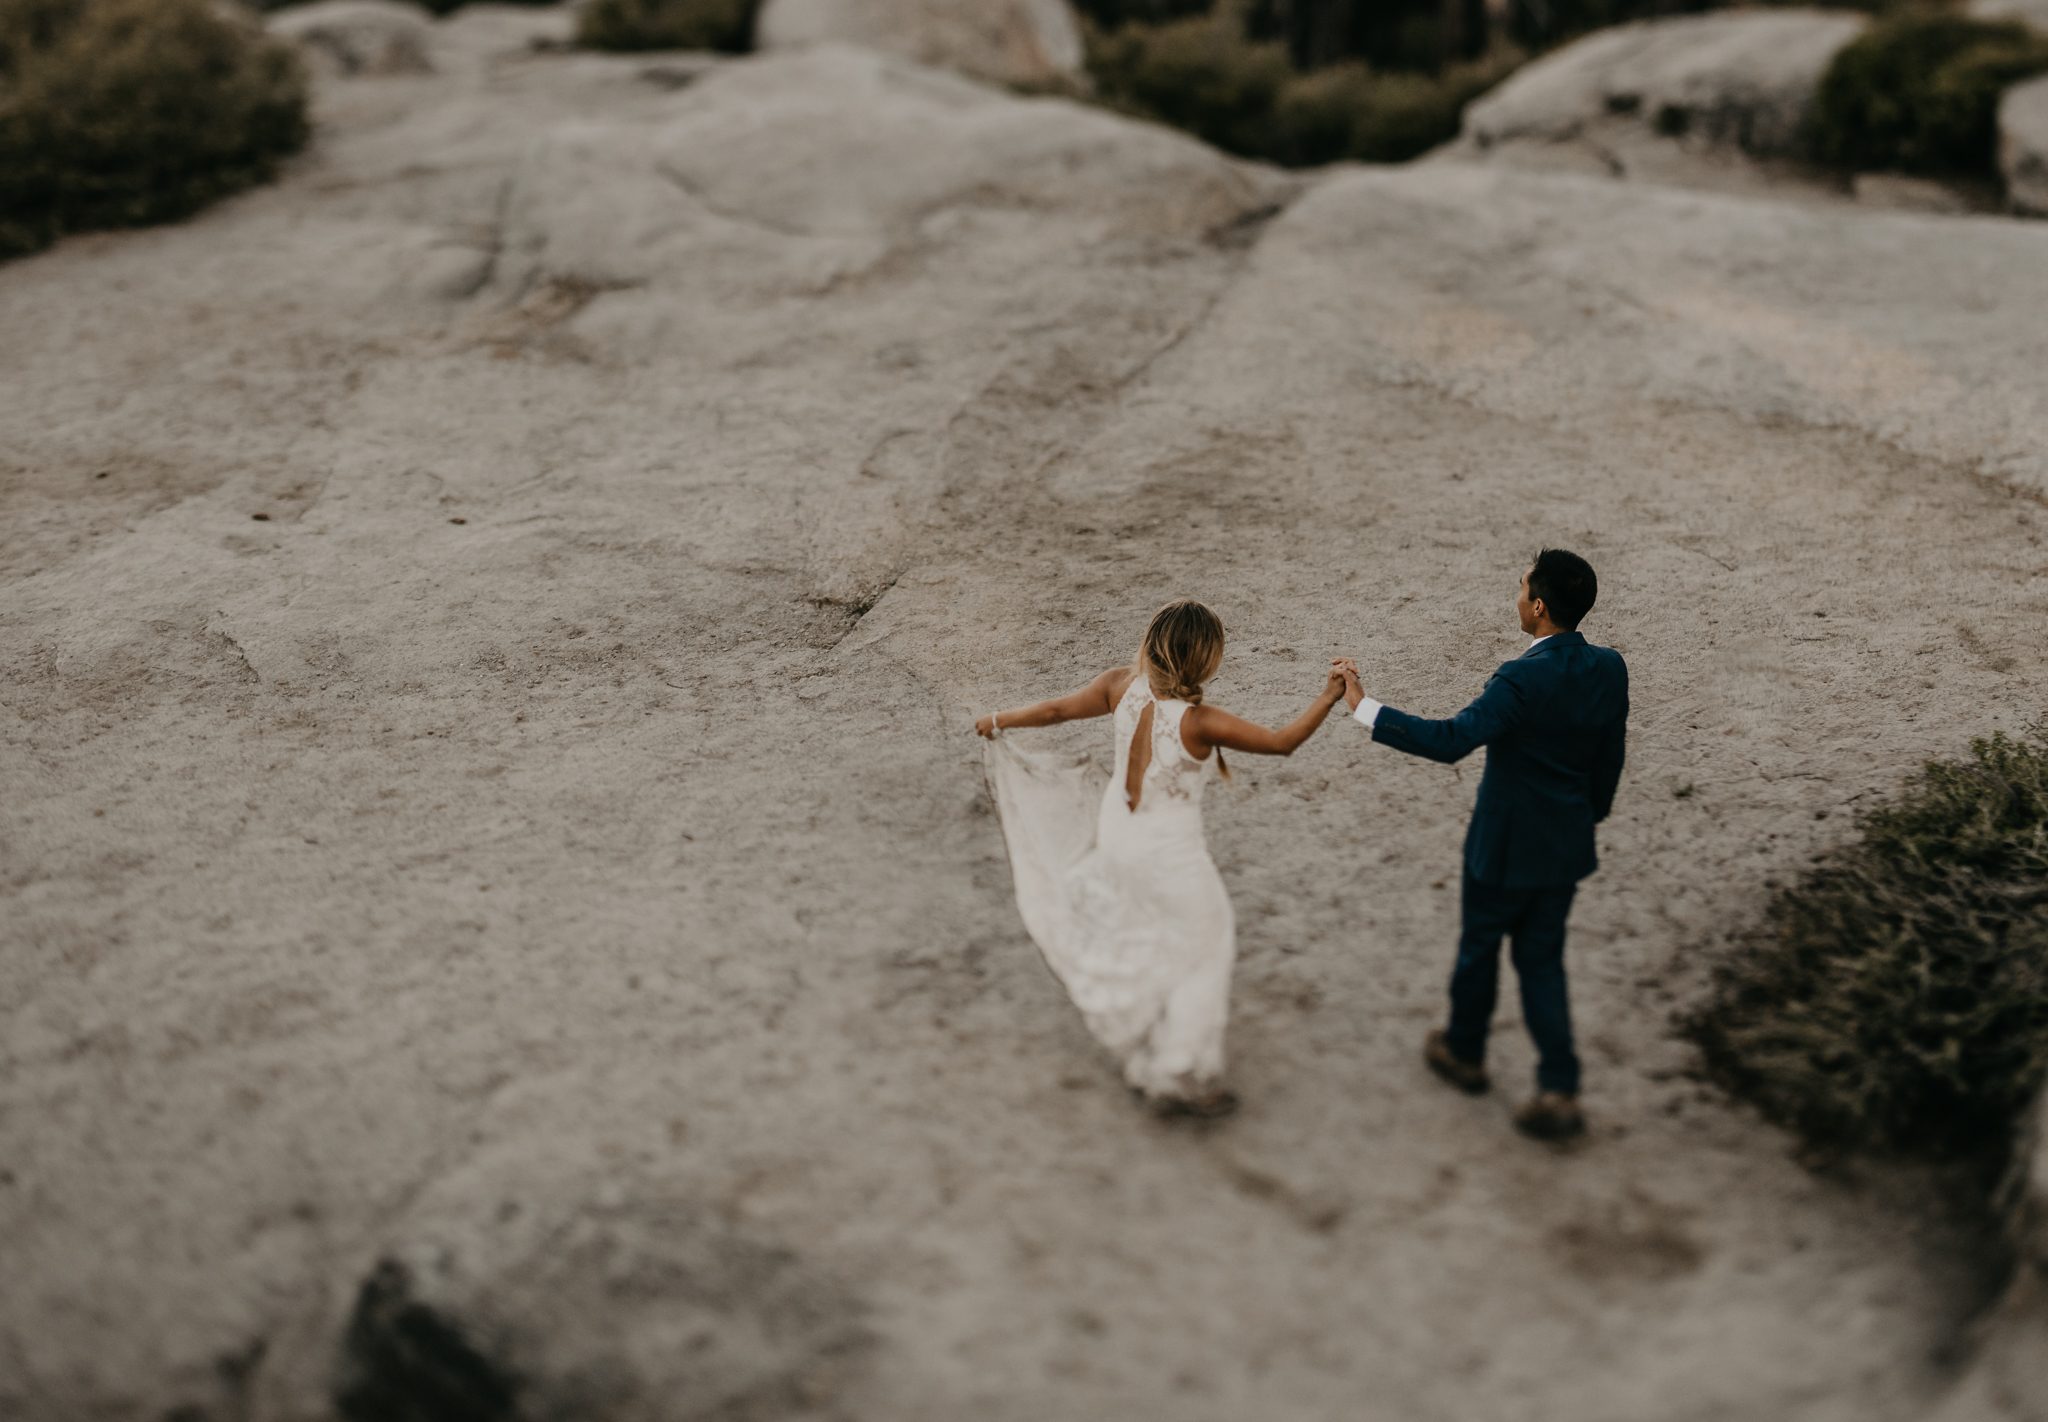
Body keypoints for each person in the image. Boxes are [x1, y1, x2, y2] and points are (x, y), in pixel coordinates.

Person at [976, 599, 1347, 1117]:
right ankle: (1177, 1070)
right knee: (1208, 941)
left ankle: (1157, 1031)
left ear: (1150, 645)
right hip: (1164, 852)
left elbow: (1057, 711)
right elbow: (1281, 742)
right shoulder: (1199, 721)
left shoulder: (1118, 685)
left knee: (1155, 927)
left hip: (1117, 833)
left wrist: (997, 719)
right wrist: (1329, 695)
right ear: (1208, 663)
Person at [1336, 549, 1628, 1140]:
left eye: (1522, 588)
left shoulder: (1519, 679)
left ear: (1539, 607)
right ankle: (1560, 1085)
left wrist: (1363, 706)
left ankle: (1465, 1053)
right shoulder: (1611, 667)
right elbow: (1609, 757)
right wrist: (1588, 815)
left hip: (1504, 847)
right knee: (1542, 961)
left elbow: (1451, 741)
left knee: (1480, 949)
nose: (1517, 596)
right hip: (1564, 846)